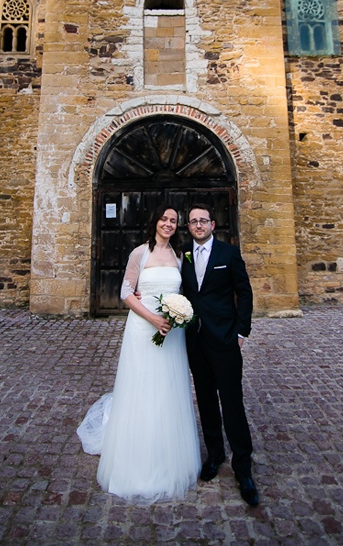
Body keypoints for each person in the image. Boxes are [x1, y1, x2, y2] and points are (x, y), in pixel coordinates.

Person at [77, 204, 201, 501]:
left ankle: (167, 450)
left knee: (167, 388)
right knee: (142, 385)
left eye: (173, 220)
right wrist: (153, 318)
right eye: (164, 219)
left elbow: (184, 292)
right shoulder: (139, 253)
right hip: (143, 328)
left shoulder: (178, 255)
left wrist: (176, 315)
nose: (169, 224)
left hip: (170, 333)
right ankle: (135, 453)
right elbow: (125, 293)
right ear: (155, 221)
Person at [181, 203, 258, 506]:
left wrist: (241, 332)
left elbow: (245, 291)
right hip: (196, 342)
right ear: (188, 227)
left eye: (203, 221)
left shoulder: (228, 254)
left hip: (225, 340)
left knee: (232, 402)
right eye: (193, 222)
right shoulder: (183, 256)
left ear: (213, 224)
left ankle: (243, 466)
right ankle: (214, 455)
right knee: (207, 402)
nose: (198, 225)